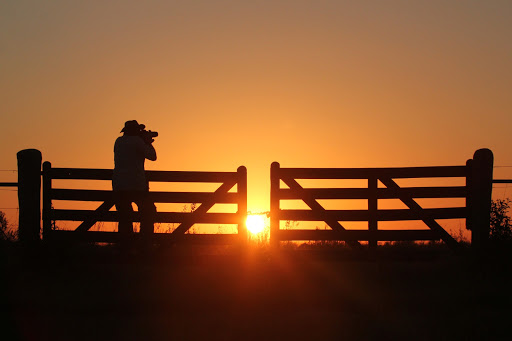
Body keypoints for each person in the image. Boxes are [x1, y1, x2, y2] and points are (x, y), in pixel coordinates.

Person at [112, 120, 157, 248]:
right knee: (148, 212)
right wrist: (147, 142)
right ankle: (145, 246)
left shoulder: (118, 141)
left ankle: (125, 248)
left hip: (119, 185)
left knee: (125, 218)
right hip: (136, 185)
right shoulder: (137, 142)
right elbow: (153, 156)